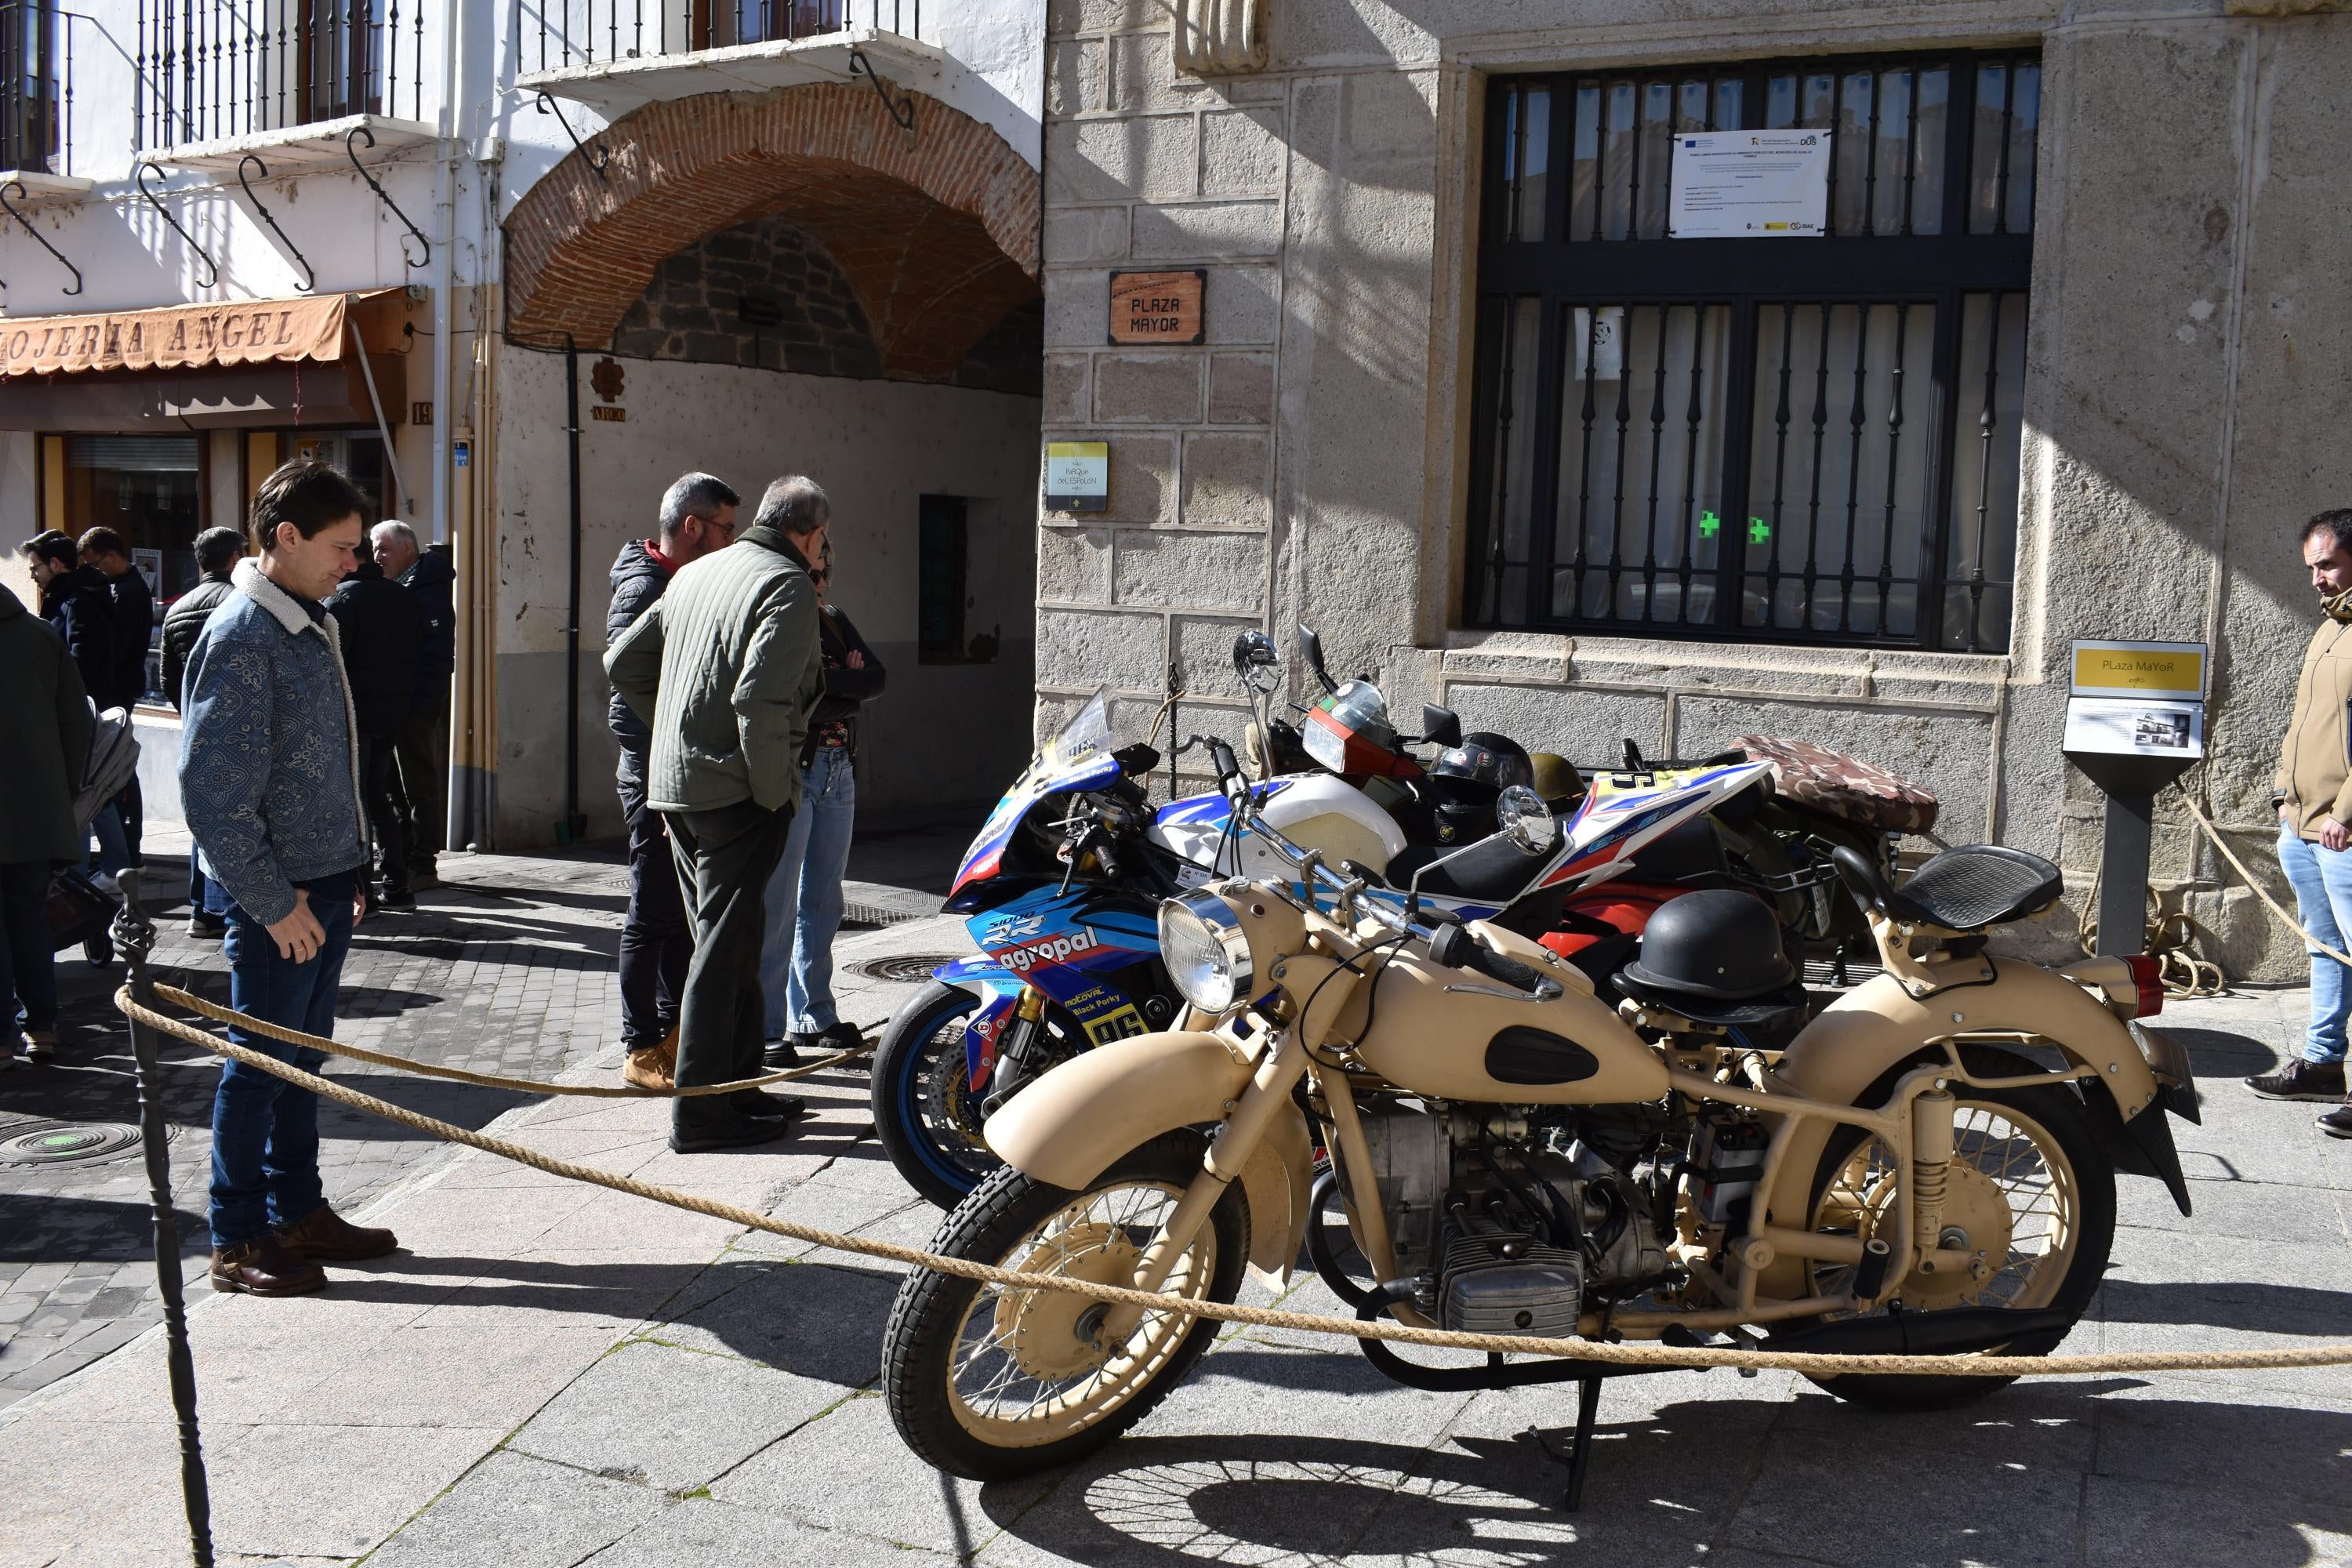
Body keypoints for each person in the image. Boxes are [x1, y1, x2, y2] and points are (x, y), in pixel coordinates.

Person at [180, 459, 397, 1295]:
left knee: (299, 1063)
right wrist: (273, 903)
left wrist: (350, 864)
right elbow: (211, 792)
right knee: (259, 1064)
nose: (355, 561)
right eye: (342, 547)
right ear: (286, 538)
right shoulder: (243, 634)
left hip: (322, 882)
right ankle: (237, 1236)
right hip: (283, 901)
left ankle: (298, 1210)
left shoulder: (306, 618)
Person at [605, 474, 827, 1153]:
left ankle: (735, 1087)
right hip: (737, 794)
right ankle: (702, 1114)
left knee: (727, 936)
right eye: (823, 541)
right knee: (723, 946)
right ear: (811, 534)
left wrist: (676, 735)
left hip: (678, 789)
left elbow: (623, 663)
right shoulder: (785, 585)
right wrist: (772, 790)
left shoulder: (700, 573)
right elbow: (760, 704)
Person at [608, 472, 739, 1091]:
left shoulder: (681, 580)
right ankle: (640, 1048)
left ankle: (674, 1034)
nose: (731, 542)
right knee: (652, 909)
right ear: (693, 527)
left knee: (681, 916)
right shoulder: (643, 590)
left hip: (677, 776)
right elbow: (626, 700)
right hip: (653, 780)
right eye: (725, 530)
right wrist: (659, 782)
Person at [760, 544, 884, 1066]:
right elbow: (793, 693)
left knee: (824, 899)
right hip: (798, 769)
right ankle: (768, 1030)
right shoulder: (779, 621)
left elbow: (874, 678)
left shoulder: (833, 621)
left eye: (825, 572)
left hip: (840, 768)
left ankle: (814, 1016)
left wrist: (834, 689)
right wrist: (842, 687)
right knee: (780, 903)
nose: (820, 581)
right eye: (812, 571)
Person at [2256, 508, 2352, 1132]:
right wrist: (2282, 797)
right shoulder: (2327, 631)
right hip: (2302, 826)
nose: (2317, 578)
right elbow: (2308, 725)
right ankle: (2322, 1064)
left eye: (2328, 564)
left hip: (2343, 832)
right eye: (2311, 567)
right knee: (2326, 951)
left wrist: (2345, 813)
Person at [0, 579, 93, 1068]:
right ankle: (41, 1027)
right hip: (35, 805)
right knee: (28, 918)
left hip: (34, 804)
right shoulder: (40, 635)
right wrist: (64, 789)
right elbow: (77, 723)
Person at [21, 529, 127, 887]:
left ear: (55, 564)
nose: (33, 575)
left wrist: (59, 697)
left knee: (80, 793)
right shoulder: (73, 598)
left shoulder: (77, 601)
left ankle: (78, 876)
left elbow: (79, 660)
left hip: (79, 712)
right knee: (95, 790)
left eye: (35, 567)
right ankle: (115, 864)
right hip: (82, 708)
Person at [164, 526, 246, 938]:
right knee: (237, 819)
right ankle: (231, 909)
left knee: (204, 819)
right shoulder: (242, 604)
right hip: (238, 732)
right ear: (235, 558)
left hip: (196, 729)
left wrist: (191, 718)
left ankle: (201, 910)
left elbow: (168, 680)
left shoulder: (179, 607)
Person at [329, 554, 423, 909]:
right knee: (377, 797)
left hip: (357, 716)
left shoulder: (341, 600)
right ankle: (398, 886)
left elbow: (334, 662)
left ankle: (364, 893)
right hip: (392, 712)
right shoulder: (401, 595)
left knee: (358, 803)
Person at [371, 521, 455, 889]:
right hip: (394, 702)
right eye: (374, 549)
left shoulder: (428, 589)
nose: (378, 557)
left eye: (384, 549)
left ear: (407, 549)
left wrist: (418, 702)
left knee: (419, 781)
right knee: (392, 783)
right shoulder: (396, 586)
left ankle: (424, 863)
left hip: (416, 704)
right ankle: (402, 855)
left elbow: (437, 655)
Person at [80, 526, 154, 866]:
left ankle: (127, 849)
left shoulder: (127, 592)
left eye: (94, 563)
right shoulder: (121, 588)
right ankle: (125, 849)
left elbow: (117, 648)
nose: (92, 570)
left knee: (117, 769)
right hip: (119, 688)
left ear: (110, 556)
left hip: (118, 691)